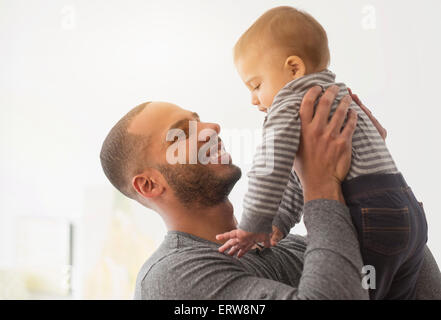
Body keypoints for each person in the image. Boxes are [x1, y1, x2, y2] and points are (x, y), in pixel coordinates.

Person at [99, 86, 441, 299]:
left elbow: (412, 272)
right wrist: (322, 183)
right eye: (180, 132)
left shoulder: (295, 245)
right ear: (150, 185)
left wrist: (368, 175)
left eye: (198, 118)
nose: (211, 127)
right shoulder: (172, 277)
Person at [217, 6, 427, 299]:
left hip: (367, 215)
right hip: (406, 210)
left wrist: (254, 224)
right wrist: (279, 223)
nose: (253, 99)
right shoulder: (336, 95)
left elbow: (269, 166)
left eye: (256, 85)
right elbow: (298, 177)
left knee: (359, 293)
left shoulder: (290, 100)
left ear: (293, 69)